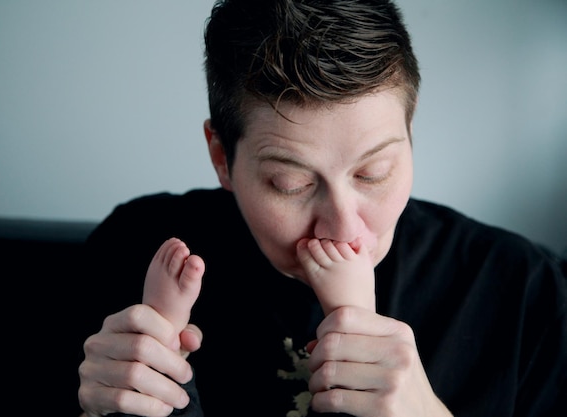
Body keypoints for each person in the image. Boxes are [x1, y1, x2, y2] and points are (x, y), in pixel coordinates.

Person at [76, 0, 567, 416]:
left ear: (411, 136)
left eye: (373, 173)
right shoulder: (132, 248)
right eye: (290, 183)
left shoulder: (526, 290)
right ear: (222, 158)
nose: (344, 230)